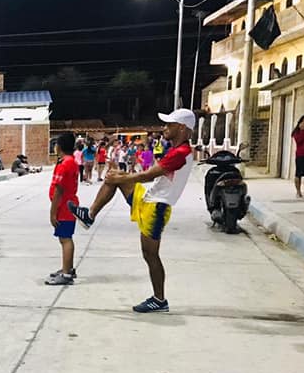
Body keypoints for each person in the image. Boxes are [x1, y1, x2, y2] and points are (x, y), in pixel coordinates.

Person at [69, 109, 196, 313]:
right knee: (113, 177)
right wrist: (120, 176)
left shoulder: (181, 153)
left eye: (169, 125)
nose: (164, 128)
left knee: (150, 255)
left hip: (157, 208)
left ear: (182, 128)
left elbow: (149, 175)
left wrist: (124, 178)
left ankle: (159, 300)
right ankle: (90, 215)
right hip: (150, 200)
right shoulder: (177, 150)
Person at [47, 132, 80, 285]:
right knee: (65, 238)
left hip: (64, 207)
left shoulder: (64, 164)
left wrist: (53, 212)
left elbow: (58, 190)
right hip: (69, 204)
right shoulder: (71, 162)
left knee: (65, 239)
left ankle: (66, 275)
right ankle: (68, 268)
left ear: (59, 147)